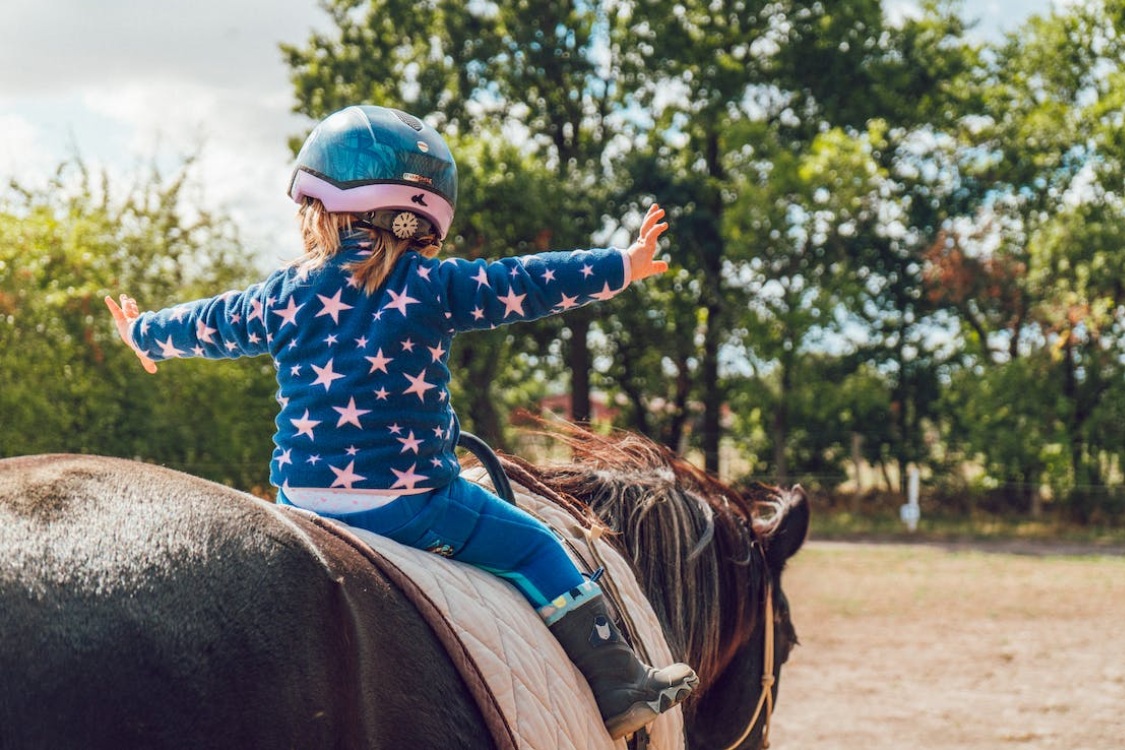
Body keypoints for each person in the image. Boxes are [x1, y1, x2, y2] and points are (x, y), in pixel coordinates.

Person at [106, 104, 697, 739]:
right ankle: (619, 684)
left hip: (301, 505)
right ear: (424, 219)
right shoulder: (433, 285)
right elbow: (527, 280)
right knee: (536, 546)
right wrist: (622, 266)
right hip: (412, 505)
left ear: (318, 208)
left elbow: (213, 322)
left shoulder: (282, 292)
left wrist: (144, 333)